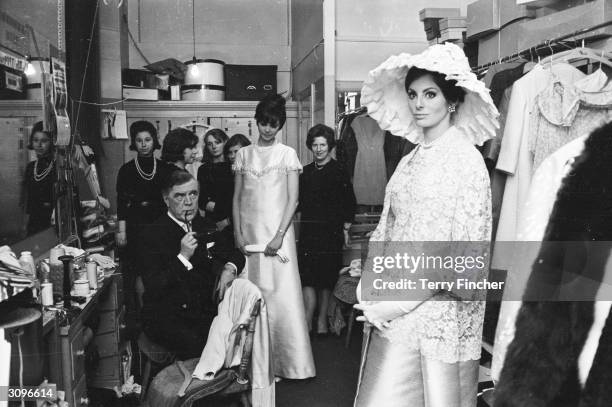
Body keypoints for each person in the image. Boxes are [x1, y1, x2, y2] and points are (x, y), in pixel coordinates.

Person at [352, 43, 498, 407]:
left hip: (437, 318)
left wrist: (396, 304)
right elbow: (385, 231)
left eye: (430, 94)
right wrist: (369, 289)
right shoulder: (409, 161)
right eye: (413, 94)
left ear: (451, 101)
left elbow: (464, 260)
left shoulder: (467, 162)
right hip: (395, 312)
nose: (418, 103)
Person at [233, 94, 315, 379]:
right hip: (250, 233)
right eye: (264, 123)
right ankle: (248, 363)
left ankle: (288, 364)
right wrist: (237, 231)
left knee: (281, 295)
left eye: (273, 124)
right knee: (250, 293)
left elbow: (293, 199)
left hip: (278, 233)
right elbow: (237, 197)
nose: (268, 129)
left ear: (280, 125)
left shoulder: (287, 154)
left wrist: (280, 235)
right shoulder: (243, 154)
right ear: (257, 122)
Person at [136, 170, 245, 360]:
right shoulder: (152, 234)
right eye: (180, 196)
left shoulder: (205, 224)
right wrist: (183, 257)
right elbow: (154, 286)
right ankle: (201, 387)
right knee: (207, 344)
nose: (188, 201)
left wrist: (229, 268)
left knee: (239, 332)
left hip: (201, 312)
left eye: (193, 194)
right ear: (165, 199)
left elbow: (236, 255)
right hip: (167, 316)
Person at [298, 124, 356, 335]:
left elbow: (349, 202)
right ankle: (307, 319)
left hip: (331, 233)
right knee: (308, 278)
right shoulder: (304, 173)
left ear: (329, 146)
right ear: (310, 146)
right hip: (308, 232)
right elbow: (297, 203)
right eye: (315, 145)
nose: (319, 149)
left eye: (323, 144)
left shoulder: (339, 171)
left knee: (325, 280)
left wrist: (346, 228)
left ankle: (322, 320)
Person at [116, 120, 167, 313]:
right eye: (139, 140)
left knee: (158, 274)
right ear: (134, 143)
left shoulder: (164, 169)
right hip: (136, 229)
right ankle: (141, 316)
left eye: (148, 139)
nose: (144, 144)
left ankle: (158, 315)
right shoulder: (126, 170)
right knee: (136, 276)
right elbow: (121, 204)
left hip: (159, 228)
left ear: (154, 141)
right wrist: (121, 232)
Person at [23, 121, 56, 236]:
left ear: (51, 142)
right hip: (33, 224)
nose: (39, 145)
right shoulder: (30, 167)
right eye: (36, 140)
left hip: (52, 223)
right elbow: (26, 202)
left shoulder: (57, 166)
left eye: (44, 140)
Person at [197, 129, 233, 231]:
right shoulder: (203, 169)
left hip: (232, 220)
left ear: (225, 142)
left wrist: (218, 207)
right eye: (210, 144)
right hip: (212, 222)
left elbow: (237, 199)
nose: (214, 146)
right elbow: (202, 201)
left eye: (217, 142)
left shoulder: (233, 166)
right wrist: (225, 207)